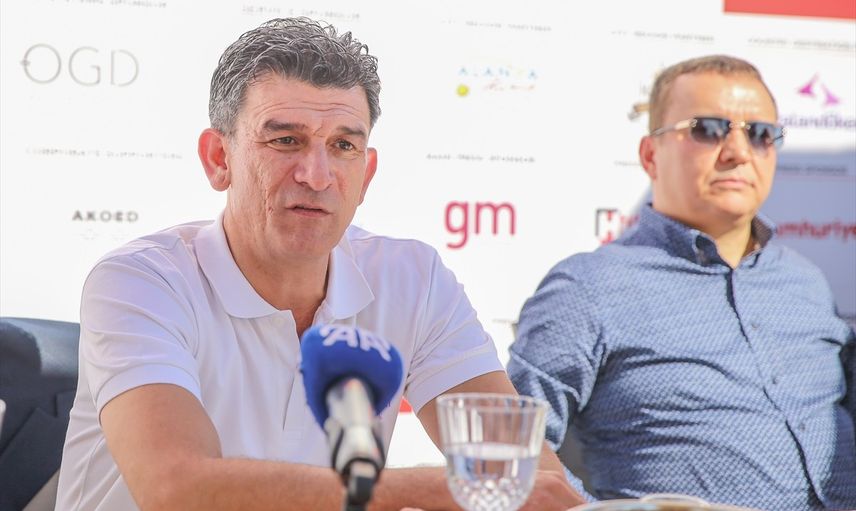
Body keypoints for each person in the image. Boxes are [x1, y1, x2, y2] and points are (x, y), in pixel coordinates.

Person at [55, 17, 584, 511]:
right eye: (286, 140)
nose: (317, 174)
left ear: (366, 174)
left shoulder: (413, 279)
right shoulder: (140, 281)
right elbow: (177, 487)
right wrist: (450, 486)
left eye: (343, 145)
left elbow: (531, 478)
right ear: (219, 159)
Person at [507, 55, 856, 511]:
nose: (738, 152)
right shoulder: (587, 288)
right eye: (708, 129)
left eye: (760, 133)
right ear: (650, 155)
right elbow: (511, 447)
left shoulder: (807, 283)